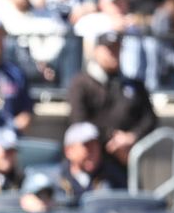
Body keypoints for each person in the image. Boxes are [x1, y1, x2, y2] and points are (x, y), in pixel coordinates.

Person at [67, 31, 158, 170]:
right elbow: (78, 123)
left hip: (127, 160)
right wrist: (113, 140)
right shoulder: (81, 84)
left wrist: (132, 137)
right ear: (96, 51)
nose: (113, 53)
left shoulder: (134, 85)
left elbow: (149, 119)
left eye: (116, 48)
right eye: (108, 48)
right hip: (92, 162)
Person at [58, 121, 127, 203]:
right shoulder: (54, 179)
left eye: (96, 145)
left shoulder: (113, 177)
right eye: (87, 146)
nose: (93, 151)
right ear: (68, 151)